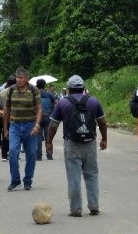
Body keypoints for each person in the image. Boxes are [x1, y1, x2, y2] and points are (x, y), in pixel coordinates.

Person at [46, 75, 107, 217]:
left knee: (74, 177)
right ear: (83, 87)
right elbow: (102, 122)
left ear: (69, 88)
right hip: (90, 143)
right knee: (91, 175)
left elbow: (53, 125)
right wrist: (104, 139)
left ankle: (76, 209)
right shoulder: (93, 101)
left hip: (72, 143)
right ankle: (94, 206)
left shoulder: (63, 103)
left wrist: (49, 142)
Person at [0, 68, 42, 191]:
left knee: (31, 154)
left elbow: (39, 109)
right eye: (17, 77)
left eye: (21, 77)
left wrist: (37, 125)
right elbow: (6, 109)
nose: (19, 80)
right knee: (13, 152)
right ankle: (15, 180)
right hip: (15, 126)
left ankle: (28, 180)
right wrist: (5, 128)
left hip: (30, 125)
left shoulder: (34, 90)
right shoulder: (11, 90)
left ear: (27, 79)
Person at [36, 79, 58, 161]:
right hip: (48, 117)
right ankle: (49, 154)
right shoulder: (49, 94)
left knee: (38, 137)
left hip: (38, 117)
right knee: (49, 137)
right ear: (44, 85)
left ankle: (38, 156)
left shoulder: (35, 94)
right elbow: (56, 103)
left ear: (37, 85)